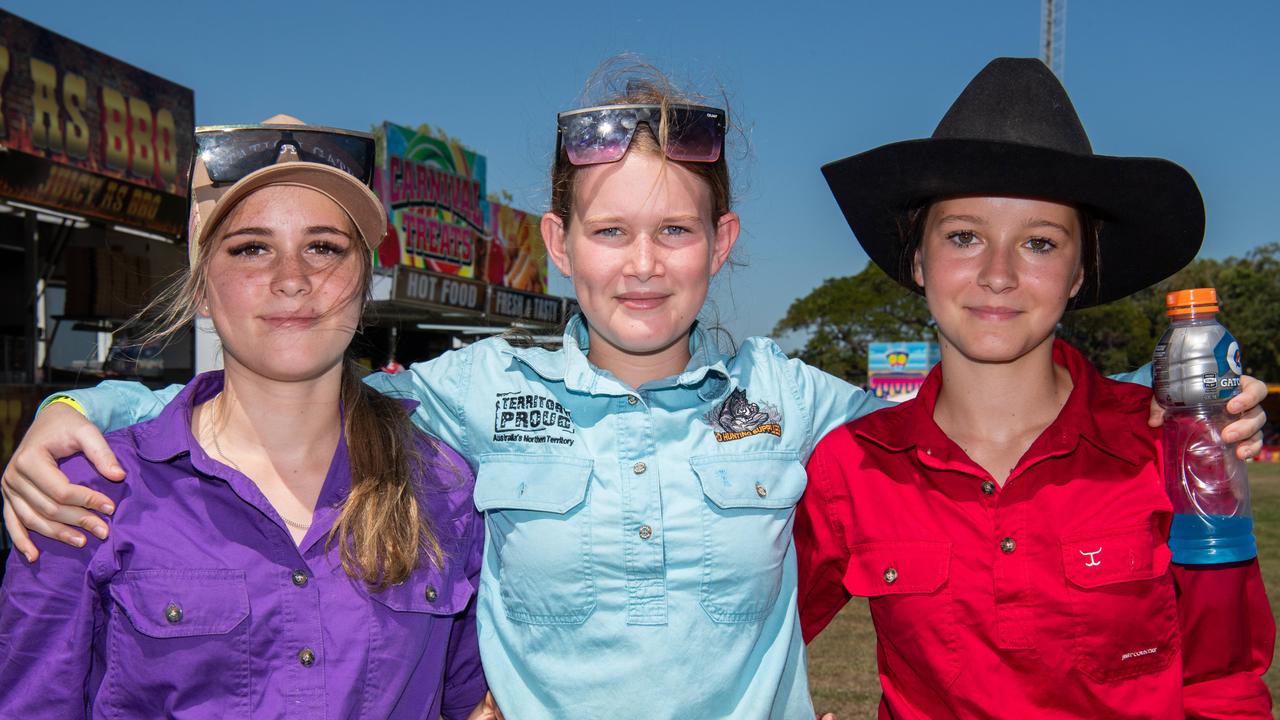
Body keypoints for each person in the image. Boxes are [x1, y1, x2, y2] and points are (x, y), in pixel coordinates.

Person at [0, 71, 1270, 718]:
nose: (642, 264)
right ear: (559, 244)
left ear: (723, 247)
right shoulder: (468, 400)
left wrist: (1175, 413)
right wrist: (81, 415)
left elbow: (968, 416)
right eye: (611, 231)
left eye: (676, 231)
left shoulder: (809, 411)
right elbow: (294, 384)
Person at [796, 58, 1274, 718]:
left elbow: (1226, 685)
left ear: (1079, 271)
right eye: (964, 236)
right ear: (918, 260)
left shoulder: (1172, 445)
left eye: (1041, 244)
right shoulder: (850, 465)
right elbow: (744, 647)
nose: (998, 273)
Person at [0, 118, 489, 719]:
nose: (292, 280)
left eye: (324, 247)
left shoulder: (443, 487)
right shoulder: (83, 494)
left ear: (365, 283)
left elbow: (472, 702)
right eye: (251, 247)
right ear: (202, 286)